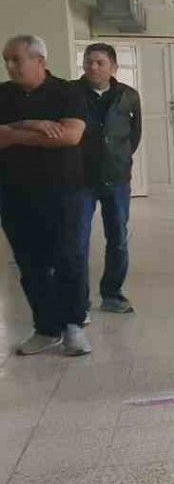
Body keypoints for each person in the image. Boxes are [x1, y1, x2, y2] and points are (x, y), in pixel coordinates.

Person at [0, 35, 91, 356]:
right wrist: (34, 123)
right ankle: (46, 328)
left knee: (69, 259)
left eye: (16, 59)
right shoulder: (3, 94)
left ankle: (74, 326)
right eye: (6, 60)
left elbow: (69, 136)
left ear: (40, 60)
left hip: (63, 192)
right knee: (30, 265)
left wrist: (12, 134)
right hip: (14, 193)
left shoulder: (68, 93)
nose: (10, 66)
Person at [77, 43, 142, 315]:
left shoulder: (128, 96)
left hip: (116, 177)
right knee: (77, 240)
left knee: (117, 238)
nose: (93, 67)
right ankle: (78, 301)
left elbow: (134, 135)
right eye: (88, 62)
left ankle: (112, 295)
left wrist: (118, 157)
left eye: (100, 62)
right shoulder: (71, 93)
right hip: (80, 178)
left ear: (113, 67)